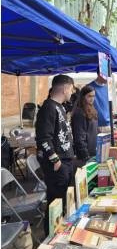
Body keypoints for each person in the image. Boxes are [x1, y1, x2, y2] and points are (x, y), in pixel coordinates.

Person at [36, 74, 75, 236]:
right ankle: (50, 236)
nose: (72, 93)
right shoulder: (48, 108)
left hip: (66, 160)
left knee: (63, 201)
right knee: (55, 202)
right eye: (71, 89)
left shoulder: (59, 106)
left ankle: (59, 232)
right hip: (57, 164)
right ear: (65, 88)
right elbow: (43, 137)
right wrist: (55, 159)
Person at [71, 85, 98, 164]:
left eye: (93, 96)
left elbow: (94, 130)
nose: (92, 98)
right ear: (83, 96)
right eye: (89, 96)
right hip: (85, 155)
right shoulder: (79, 112)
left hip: (93, 151)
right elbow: (79, 137)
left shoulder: (91, 108)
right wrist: (85, 156)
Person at [88, 68, 110, 133]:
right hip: (96, 126)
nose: (108, 77)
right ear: (100, 74)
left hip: (108, 124)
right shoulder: (89, 88)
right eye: (107, 75)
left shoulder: (108, 87)